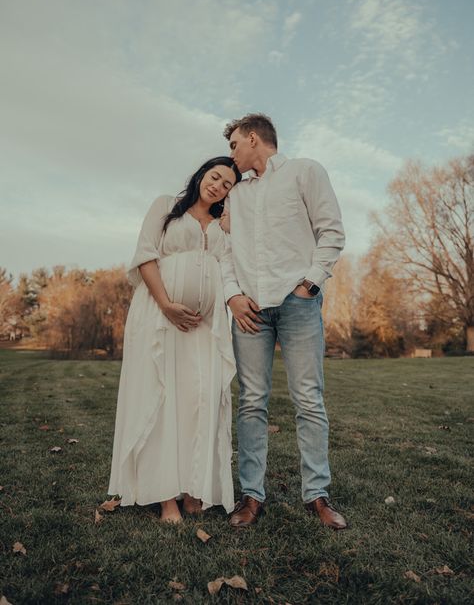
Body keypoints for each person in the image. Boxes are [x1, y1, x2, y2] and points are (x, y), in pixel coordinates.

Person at [220, 113, 347, 529]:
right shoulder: (234, 195)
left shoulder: (305, 172)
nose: (232, 153)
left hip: (298, 304)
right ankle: (251, 497)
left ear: (253, 138)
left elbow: (331, 232)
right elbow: (226, 250)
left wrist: (310, 284)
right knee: (251, 401)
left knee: (308, 399)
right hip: (250, 310)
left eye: (235, 144)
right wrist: (233, 295)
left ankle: (317, 495)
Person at [108, 157, 241, 523]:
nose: (218, 186)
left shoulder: (223, 225)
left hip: (206, 326)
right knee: (163, 398)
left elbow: (230, 267)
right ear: (201, 175)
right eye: (215, 177)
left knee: (199, 399)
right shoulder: (166, 206)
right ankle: (166, 496)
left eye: (228, 184)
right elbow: (145, 255)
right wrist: (167, 304)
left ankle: (193, 487)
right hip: (160, 317)